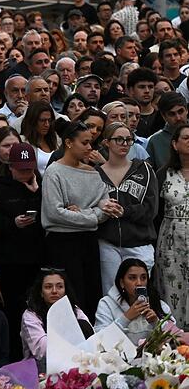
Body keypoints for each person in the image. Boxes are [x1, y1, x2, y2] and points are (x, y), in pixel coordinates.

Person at [41, 121, 122, 319]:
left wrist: (84, 214)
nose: (90, 148)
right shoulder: (54, 172)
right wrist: (92, 214)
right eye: (85, 143)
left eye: (91, 143)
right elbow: (54, 213)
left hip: (88, 241)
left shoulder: (93, 173)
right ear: (68, 143)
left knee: (91, 293)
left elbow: (106, 208)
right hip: (62, 243)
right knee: (68, 298)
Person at [0, 142, 43, 359]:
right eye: (21, 170)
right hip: (6, 259)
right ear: (10, 167)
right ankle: (11, 355)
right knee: (9, 309)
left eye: (29, 169)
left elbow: (46, 217)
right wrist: (13, 223)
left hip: (33, 257)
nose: (26, 173)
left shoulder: (39, 184)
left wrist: (37, 193)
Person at [96, 122, 158, 294]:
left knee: (139, 294)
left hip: (139, 243)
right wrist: (101, 208)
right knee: (111, 294)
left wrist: (125, 211)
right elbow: (88, 204)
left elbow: (151, 209)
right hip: (108, 243)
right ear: (106, 142)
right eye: (119, 140)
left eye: (128, 140)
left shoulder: (144, 170)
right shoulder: (95, 173)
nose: (124, 144)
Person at [21, 268, 94, 372]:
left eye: (60, 286)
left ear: (65, 291)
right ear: (41, 292)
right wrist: (72, 337)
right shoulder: (31, 315)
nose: (54, 291)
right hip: (41, 370)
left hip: (76, 365)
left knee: (82, 324)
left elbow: (90, 336)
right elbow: (42, 350)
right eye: (48, 287)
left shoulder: (75, 310)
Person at [156, 123, 189, 328]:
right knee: (172, 288)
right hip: (170, 243)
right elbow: (155, 212)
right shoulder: (163, 174)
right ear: (175, 144)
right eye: (186, 137)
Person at [94, 259, 172, 344]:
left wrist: (156, 323)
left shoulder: (159, 305)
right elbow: (99, 341)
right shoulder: (106, 305)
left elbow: (175, 338)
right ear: (122, 283)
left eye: (143, 278)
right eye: (132, 278)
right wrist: (126, 318)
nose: (139, 283)